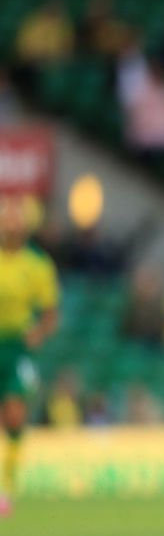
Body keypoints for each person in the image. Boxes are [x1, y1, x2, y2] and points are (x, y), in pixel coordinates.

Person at [0, 196, 60, 516]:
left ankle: (6, 487)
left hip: (16, 348)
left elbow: (50, 313)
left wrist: (38, 333)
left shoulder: (37, 265)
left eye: (15, 218)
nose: (10, 223)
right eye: (5, 217)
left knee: (14, 415)